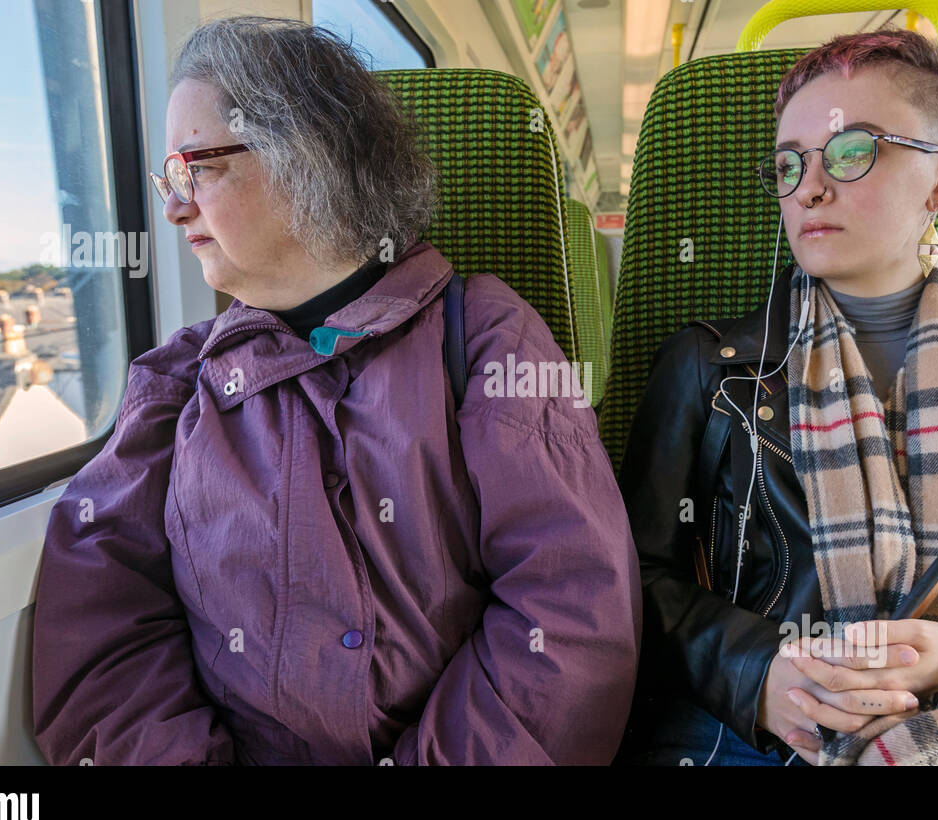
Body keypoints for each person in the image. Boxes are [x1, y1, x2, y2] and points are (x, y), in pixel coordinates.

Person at [31, 16, 641, 765]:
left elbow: (568, 614)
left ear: (307, 158)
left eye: (198, 170)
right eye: (170, 179)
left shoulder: (485, 338)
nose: (173, 207)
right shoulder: (174, 383)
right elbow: (104, 630)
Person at [617, 28, 938, 766]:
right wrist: (758, 671)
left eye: (851, 151)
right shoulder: (710, 370)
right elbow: (630, 578)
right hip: (740, 732)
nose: (810, 187)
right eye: (788, 163)